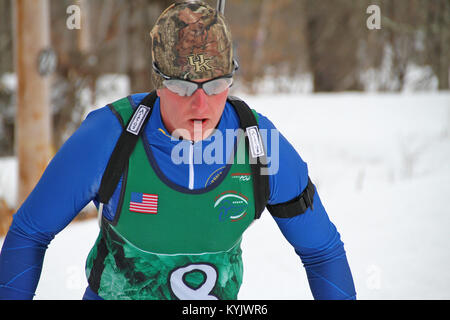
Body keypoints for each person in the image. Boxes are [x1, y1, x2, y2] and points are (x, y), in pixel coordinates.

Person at [0, 1, 356, 300]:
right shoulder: (109, 136)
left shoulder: (260, 145)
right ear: (158, 81)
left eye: (216, 86)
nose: (201, 104)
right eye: (183, 87)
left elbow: (322, 251)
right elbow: (30, 231)